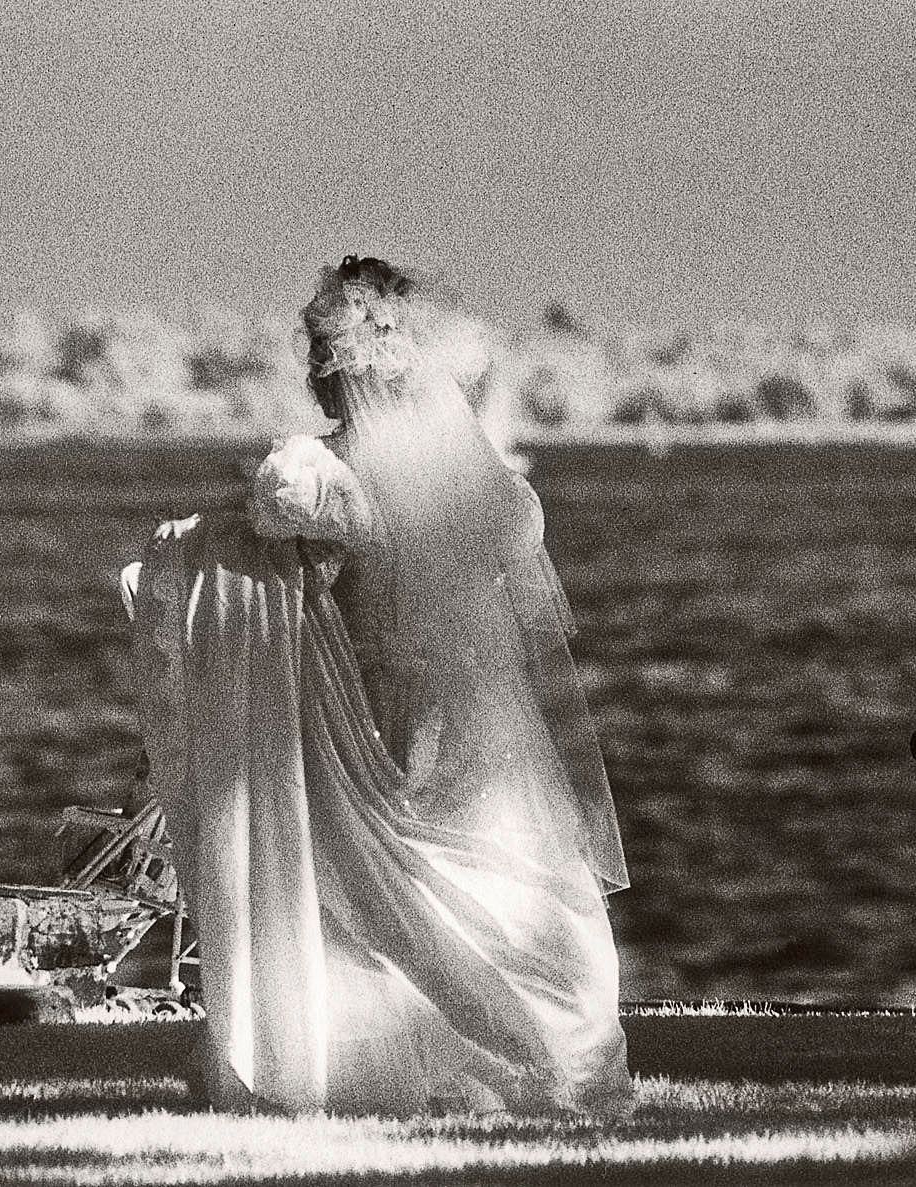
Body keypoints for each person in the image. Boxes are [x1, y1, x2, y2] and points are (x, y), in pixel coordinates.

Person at [128, 256, 632, 1116]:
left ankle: (384, 1055)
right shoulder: (467, 478)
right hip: (472, 714)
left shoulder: (312, 475)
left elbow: (274, 520)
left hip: (373, 716)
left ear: (327, 373)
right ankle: (537, 1052)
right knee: (503, 889)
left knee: (370, 904)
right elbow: (514, 533)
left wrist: (186, 546)